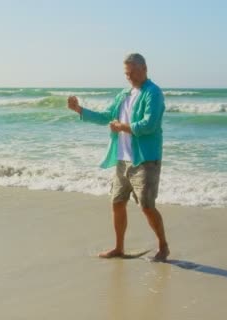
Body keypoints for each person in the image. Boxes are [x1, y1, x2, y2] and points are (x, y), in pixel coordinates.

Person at [67, 53, 169, 261]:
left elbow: (150, 124)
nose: (129, 77)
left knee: (147, 206)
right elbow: (106, 116)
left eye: (132, 72)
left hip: (145, 160)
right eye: (126, 74)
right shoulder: (123, 94)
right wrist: (79, 110)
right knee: (117, 202)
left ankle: (163, 247)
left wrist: (123, 127)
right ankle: (119, 248)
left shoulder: (153, 93)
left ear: (144, 69)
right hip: (122, 159)